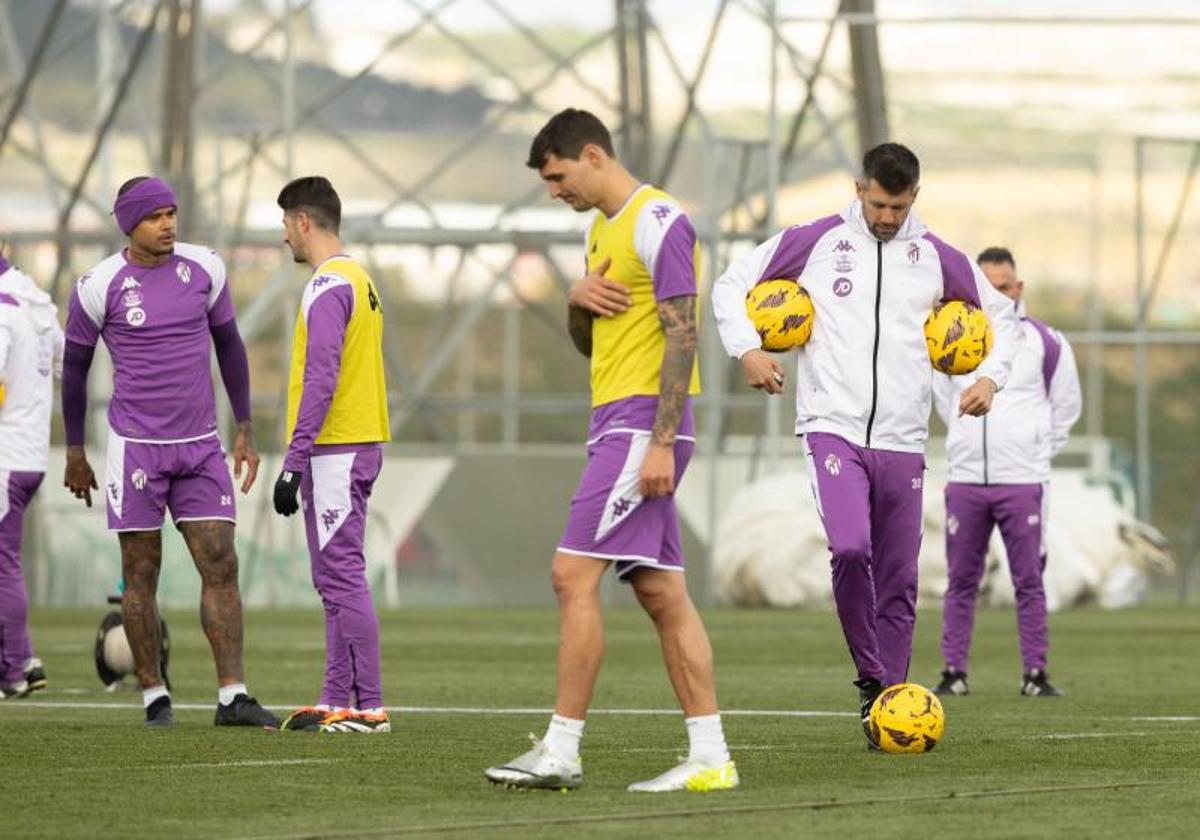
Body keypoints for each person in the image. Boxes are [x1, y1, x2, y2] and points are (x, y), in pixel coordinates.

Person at [711, 143, 1020, 747]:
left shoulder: (937, 257)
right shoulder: (817, 240)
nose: (885, 216)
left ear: (915, 198)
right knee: (852, 549)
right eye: (877, 203)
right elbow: (731, 284)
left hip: (904, 438)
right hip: (833, 425)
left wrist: (989, 377)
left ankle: (889, 704)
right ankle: (870, 677)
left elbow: (1003, 317)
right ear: (859, 190)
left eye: (897, 206)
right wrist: (747, 348)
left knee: (901, 576)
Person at [485, 109, 737, 793]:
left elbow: (684, 336)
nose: (554, 191)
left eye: (559, 176)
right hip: (617, 424)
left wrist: (659, 445)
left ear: (592, 155)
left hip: (641, 430)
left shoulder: (660, 221)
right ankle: (711, 756)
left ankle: (562, 749)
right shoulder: (601, 230)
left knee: (571, 577)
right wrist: (574, 299)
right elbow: (589, 339)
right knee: (662, 595)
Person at [62, 176, 278, 728]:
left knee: (221, 563)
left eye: (172, 213)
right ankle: (153, 694)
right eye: (156, 215)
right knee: (140, 573)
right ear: (129, 223)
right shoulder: (98, 285)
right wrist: (74, 450)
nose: (168, 224)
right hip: (136, 450)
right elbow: (76, 371)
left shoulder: (204, 268)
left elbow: (229, 345)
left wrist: (245, 427)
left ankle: (233, 695)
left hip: (201, 446)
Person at [932, 247, 1081, 698]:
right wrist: (964, 441)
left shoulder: (1046, 342)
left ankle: (1035, 673)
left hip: (1023, 481)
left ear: (1018, 289)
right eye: (987, 287)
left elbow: (1066, 406)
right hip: (966, 480)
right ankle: (954, 671)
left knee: (1029, 579)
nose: (997, 294)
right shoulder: (955, 338)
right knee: (960, 580)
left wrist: (1034, 454)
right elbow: (942, 395)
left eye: (1003, 287)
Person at [271, 176, 392, 734]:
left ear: (302, 221)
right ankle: (335, 698)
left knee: (341, 576)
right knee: (332, 578)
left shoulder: (326, 286)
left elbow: (321, 378)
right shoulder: (359, 278)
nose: (285, 240)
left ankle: (368, 707)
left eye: (285, 226)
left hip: (336, 449)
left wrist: (293, 463)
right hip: (354, 443)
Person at [0, 255, 63, 699]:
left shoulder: (3, 309)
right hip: (30, 451)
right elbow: (62, 364)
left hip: (5, 453)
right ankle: (25, 657)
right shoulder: (35, 301)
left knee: (3, 565)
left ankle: (15, 667)